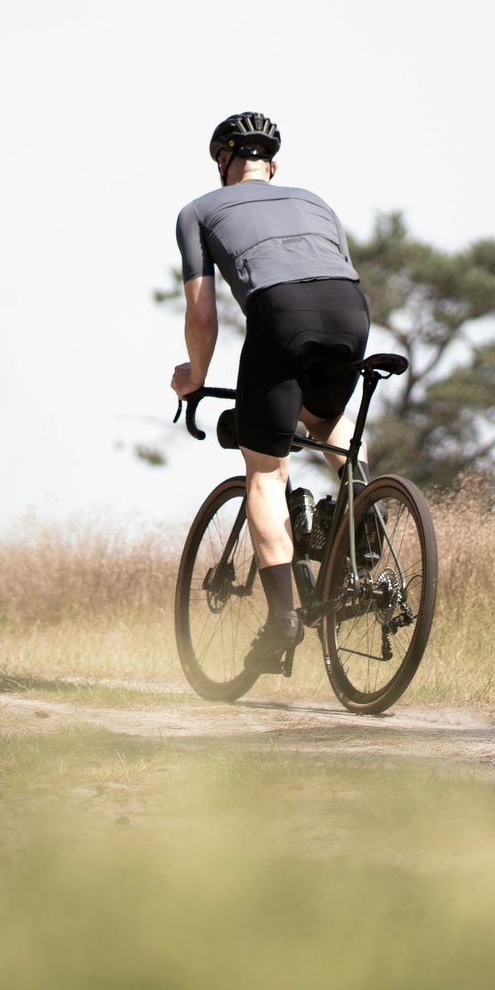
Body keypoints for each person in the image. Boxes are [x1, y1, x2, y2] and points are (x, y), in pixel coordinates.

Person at [169, 111, 369, 675]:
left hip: (280, 313)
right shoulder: (317, 203)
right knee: (328, 422)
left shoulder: (199, 210)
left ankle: (283, 617)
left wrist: (196, 376)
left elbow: (201, 311)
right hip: (351, 312)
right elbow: (336, 273)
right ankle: (363, 506)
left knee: (264, 471)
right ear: (272, 166)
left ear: (225, 164)